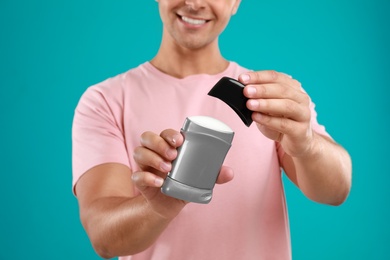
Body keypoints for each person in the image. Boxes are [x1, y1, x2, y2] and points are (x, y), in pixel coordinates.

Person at [72, 0, 352, 259]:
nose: (193, 4)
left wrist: (307, 144)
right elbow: (104, 237)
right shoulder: (106, 101)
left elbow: (335, 190)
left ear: (236, 2)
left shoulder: (270, 97)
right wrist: (156, 208)